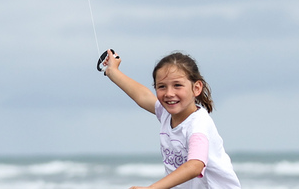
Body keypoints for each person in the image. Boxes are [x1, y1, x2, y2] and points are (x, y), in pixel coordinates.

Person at [103, 49, 241, 189]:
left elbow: (195, 166)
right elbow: (143, 96)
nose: (169, 93)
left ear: (197, 88)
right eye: (162, 86)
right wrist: (113, 71)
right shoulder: (166, 113)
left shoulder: (198, 124)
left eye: (177, 85)